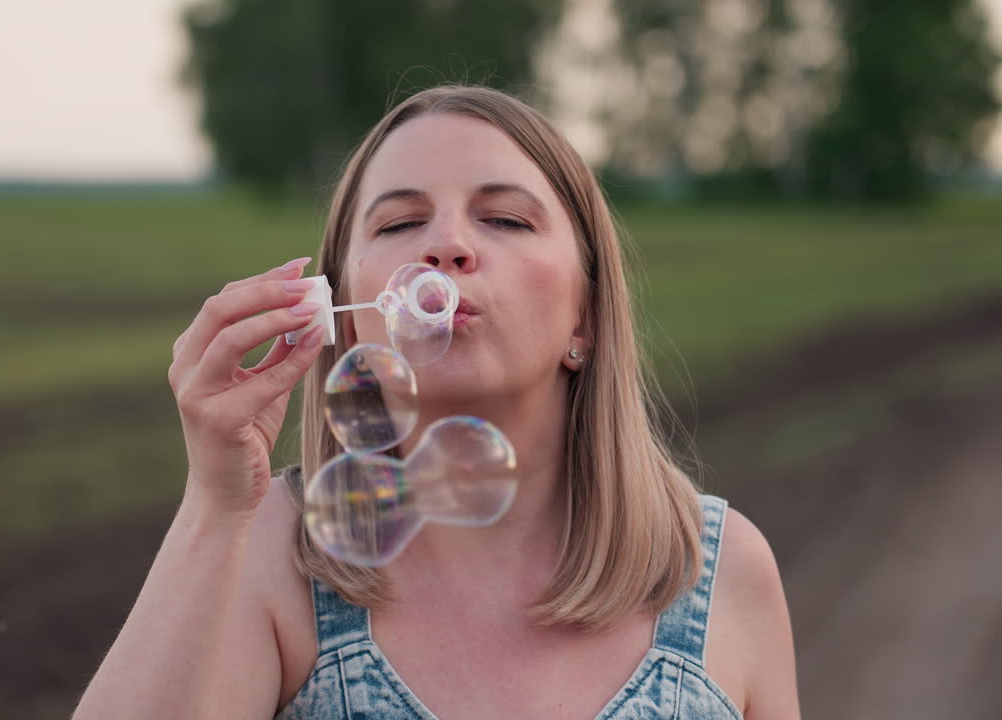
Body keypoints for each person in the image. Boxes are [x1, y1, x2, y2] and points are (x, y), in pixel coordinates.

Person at [72, 85, 800, 719]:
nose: (446, 246)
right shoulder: (268, 552)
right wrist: (214, 504)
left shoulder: (721, 569)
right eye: (397, 224)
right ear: (347, 316)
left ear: (586, 320)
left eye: (506, 219)